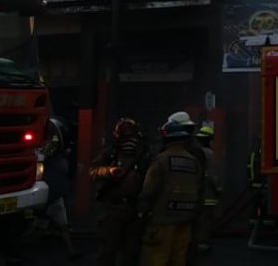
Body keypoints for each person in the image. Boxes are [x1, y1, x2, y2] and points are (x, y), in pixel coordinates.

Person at [137, 112, 203, 266]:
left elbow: (149, 190)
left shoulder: (162, 160)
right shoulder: (193, 161)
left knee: (156, 258)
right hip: (186, 219)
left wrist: (141, 211)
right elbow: (199, 187)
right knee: (178, 259)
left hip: (162, 220)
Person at [89, 117, 149, 266]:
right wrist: (109, 171)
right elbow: (93, 171)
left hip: (134, 208)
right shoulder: (110, 154)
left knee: (131, 252)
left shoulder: (144, 156)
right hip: (112, 207)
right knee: (107, 251)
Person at [42, 117, 80, 260]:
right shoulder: (49, 159)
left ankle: (71, 252)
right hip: (48, 196)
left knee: (63, 226)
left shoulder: (61, 160)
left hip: (54, 197)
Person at [190, 125, 220, 258]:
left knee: (197, 218)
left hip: (195, 191)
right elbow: (212, 174)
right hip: (208, 192)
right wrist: (218, 188)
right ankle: (203, 243)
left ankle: (194, 242)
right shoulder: (209, 153)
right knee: (206, 218)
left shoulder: (193, 152)